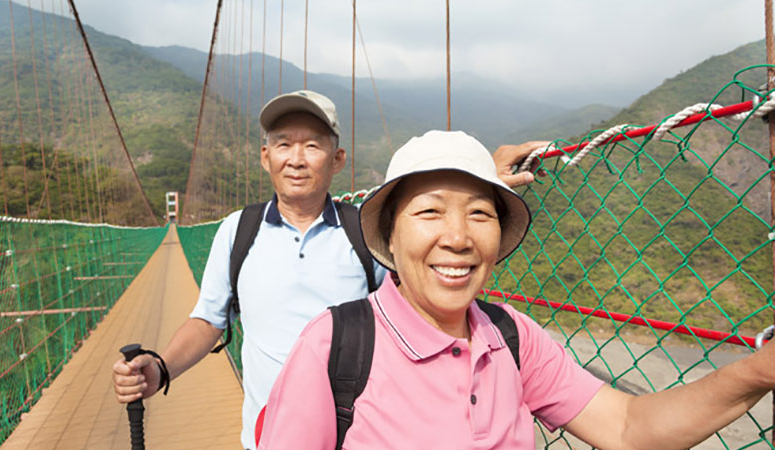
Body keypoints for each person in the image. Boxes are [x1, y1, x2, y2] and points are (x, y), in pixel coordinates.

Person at [257, 130, 775, 449]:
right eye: (430, 211)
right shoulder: (336, 346)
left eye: (480, 214)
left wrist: (756, 370)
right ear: (390, 234)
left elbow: (628, 428)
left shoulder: (510, 336)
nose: (457, 238)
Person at [112, 90, 543, 449]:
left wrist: (482, 176)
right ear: (265, 157)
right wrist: (162, 367)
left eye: (312, 145)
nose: (296, 159)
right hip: (267, 436)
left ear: (337, 160)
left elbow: (421, 294)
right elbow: (208, 319)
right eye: (283, 144)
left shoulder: (366, 233)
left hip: (362, 433)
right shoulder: (237, 231)